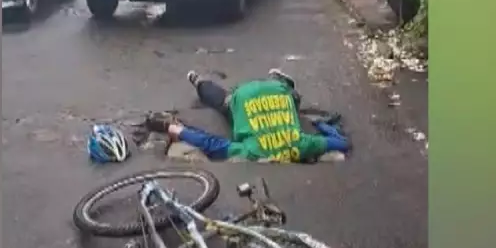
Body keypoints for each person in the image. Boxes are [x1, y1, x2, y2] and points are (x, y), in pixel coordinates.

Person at [145, 69, 350, 163]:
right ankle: (198, 81)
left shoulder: (301, 144)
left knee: (292, 101)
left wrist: (322, 127)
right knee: (222, 101)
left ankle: (282, 83)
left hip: (275, 92)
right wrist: (173, 128)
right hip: (241, 96)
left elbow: (342, 143)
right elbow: (210, 143)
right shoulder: (251, 151)